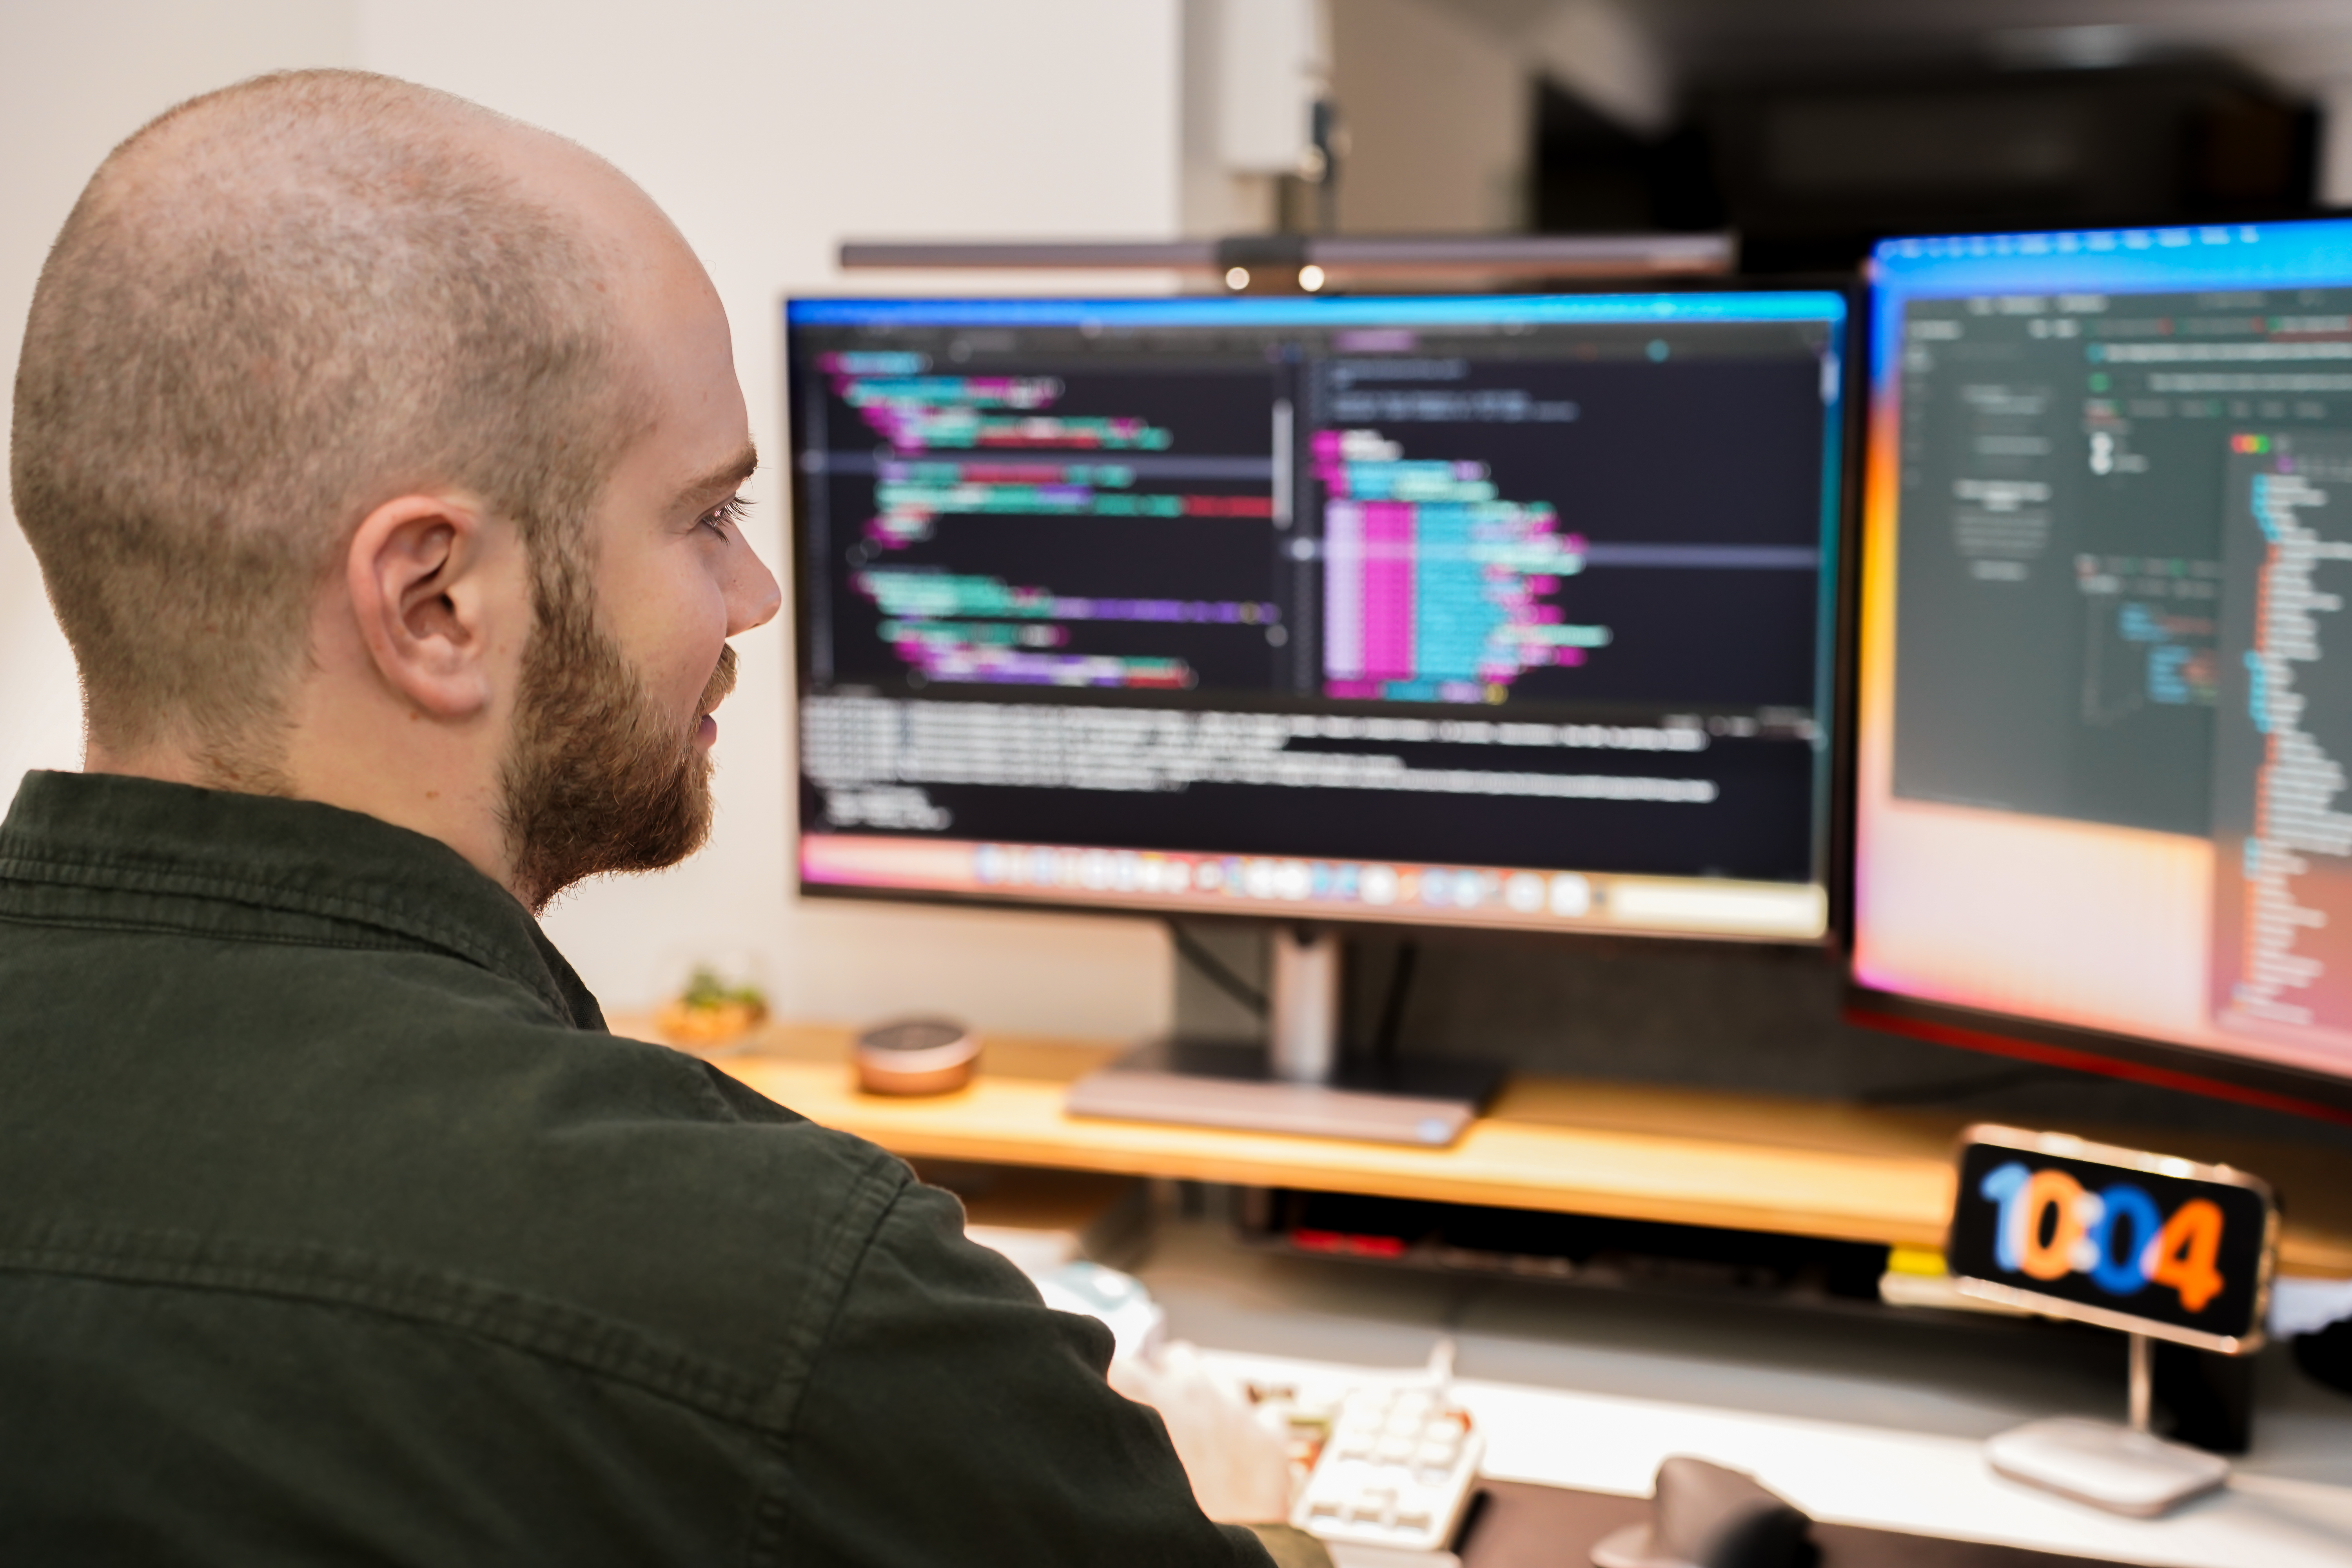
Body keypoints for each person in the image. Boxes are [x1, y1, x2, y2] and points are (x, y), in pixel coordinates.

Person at [0, 69, 1321, 1567]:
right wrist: (1263, 1517)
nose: (756, 599)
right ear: (435, 603)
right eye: (708, 517)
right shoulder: (778, 1300)